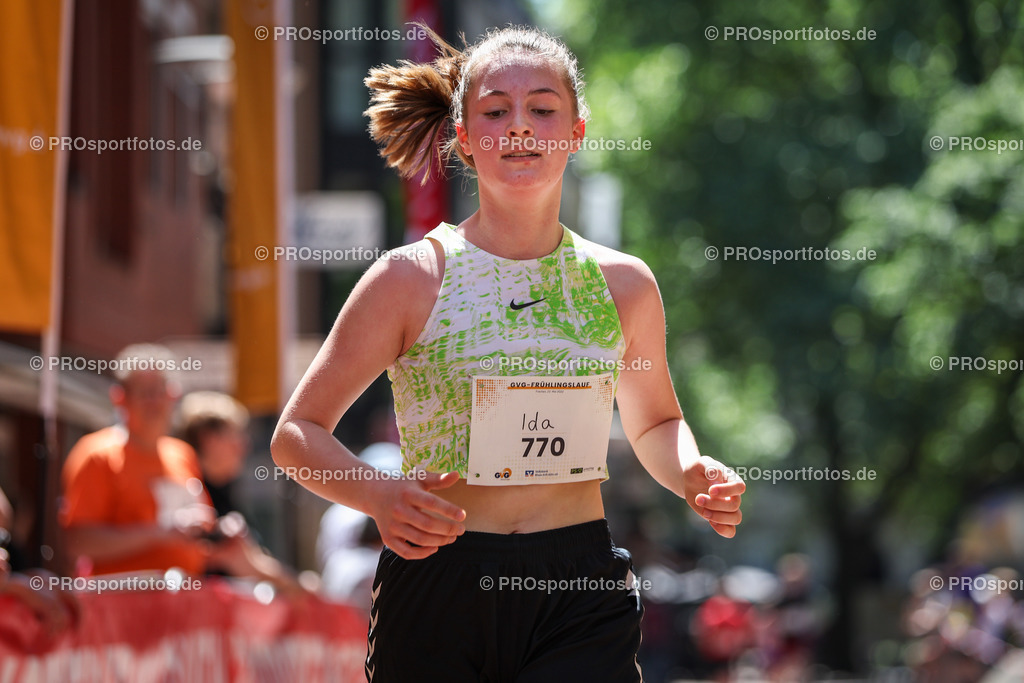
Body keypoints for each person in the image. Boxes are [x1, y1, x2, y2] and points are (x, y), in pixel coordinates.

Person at [271, 24, 745, 682]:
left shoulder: (625, 284)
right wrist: (380, 495)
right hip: (439, 580)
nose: (519, 126)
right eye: (496, 111)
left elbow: (658, 422)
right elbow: (296, 435)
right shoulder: (409, 278)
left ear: (576, 132)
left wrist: (693, 472)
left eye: (543, 109)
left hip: (579, 588)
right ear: (464, 136)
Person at [61, 344, 215, 577]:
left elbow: (203, 529)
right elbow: (78, 541)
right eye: (144, 393)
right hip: (118, 603)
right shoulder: (97, 455)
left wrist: (220, 533)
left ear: (172, 395)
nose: (153, 401)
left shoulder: (183, 454)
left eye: (159, 391)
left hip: (184, 600)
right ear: (120, 398)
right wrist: (161, 534)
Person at [179, 390, 303, 595]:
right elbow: (246, 565)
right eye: (235, 435)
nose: (244, 446)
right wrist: (297, 586)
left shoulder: (226, 495)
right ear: (209, 440)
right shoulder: (190, 498)